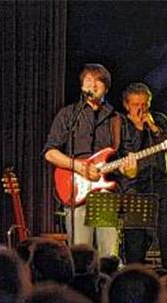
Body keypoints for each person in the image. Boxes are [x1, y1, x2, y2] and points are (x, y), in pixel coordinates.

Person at [43, 63, 135, 258]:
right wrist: (78, 167)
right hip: (75, 190)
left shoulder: (116, 120)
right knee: (79, 255)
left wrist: (131, 168)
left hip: (106, 193)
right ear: (81, 85)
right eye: (88, 80)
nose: (92, 85)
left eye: (98, 81)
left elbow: (126, 162)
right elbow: (50, 152)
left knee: (108, 256)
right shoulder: (68, 115)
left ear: (106, 88)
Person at [115, 82, 167, 271]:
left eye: (144, 104)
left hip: (162, 184)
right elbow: (124, 154)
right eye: (135, 104)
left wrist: (154, 128)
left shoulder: (160, 120)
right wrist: (138, 129)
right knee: (135, 244)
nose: (140, 109)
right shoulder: (120, 124)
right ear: (126, 105)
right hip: (135, 187)